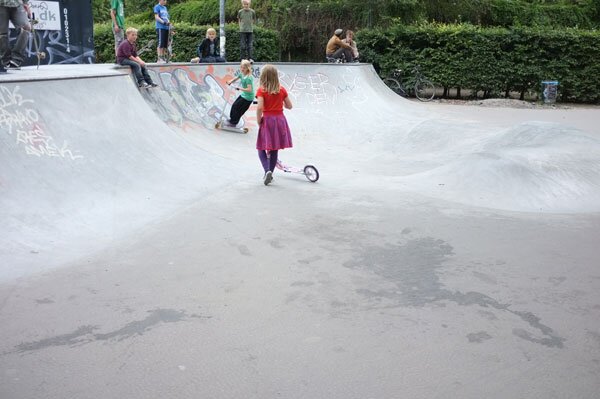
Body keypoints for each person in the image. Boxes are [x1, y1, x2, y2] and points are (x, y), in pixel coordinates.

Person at [255, 64, 293, 186]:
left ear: (263, 77)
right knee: (274, 148)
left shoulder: (262, 90)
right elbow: (289, 106)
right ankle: (270, 172)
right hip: (279, 120)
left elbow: (260, 107)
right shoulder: (281, 90)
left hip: (268, 120)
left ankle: (267, 171)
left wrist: (258, 119)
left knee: (261, 147)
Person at [0, 0, 31, 71]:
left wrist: (25, 3)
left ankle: (16, 59)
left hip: (17, 3)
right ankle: (5, 61)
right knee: (2, 33)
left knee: (26, 28)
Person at [225, 59, 254, 126]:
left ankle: (233, 122)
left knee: (239, 109)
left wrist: (239, 88)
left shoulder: (249, 78)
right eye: (241, 67)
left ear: (247, 68)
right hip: (244, 95)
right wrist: (230, 81)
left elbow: (249, 89)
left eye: (244, 68)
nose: (242, 69)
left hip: (249, 97)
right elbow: (236, 78)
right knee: (234, 106)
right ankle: (232, 120)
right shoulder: (242, 74)